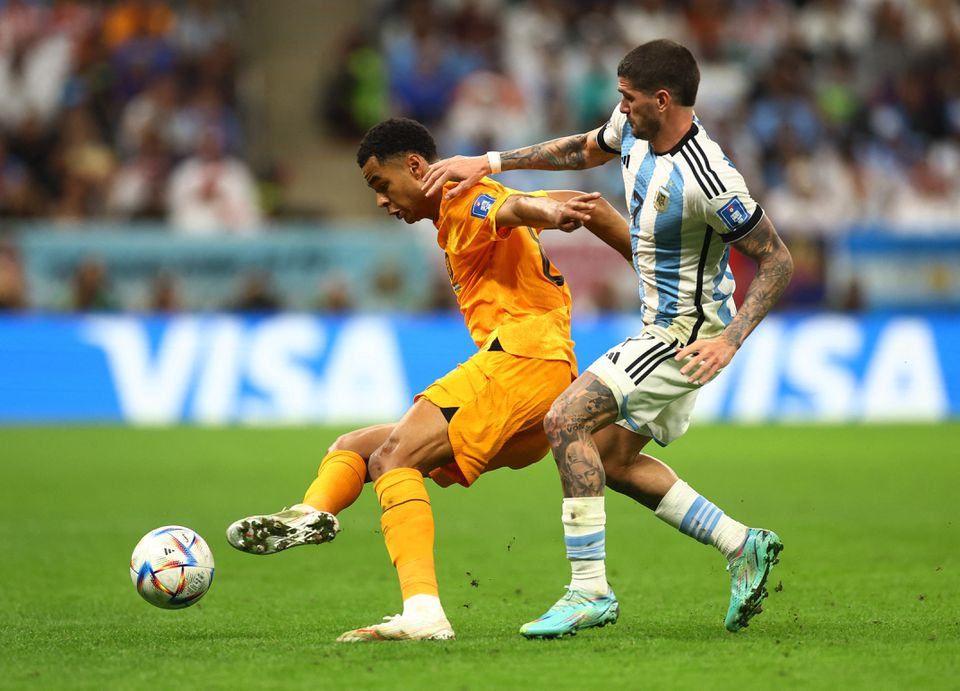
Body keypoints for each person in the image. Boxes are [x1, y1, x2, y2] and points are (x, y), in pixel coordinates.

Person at [422, 39, 795, 637]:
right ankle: (741, 544)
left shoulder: (712, 179)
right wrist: (489, 163)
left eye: (627, 98)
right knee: (612, 460)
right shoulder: (634, 126)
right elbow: (584, 148)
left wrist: (731, 342)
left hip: (688, 333)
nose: (618, 108)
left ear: (663, 100)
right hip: (662, 321)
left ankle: (588, 590)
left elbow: (777, 261)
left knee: (564, 420)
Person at [226, 117, 632, 642]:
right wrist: (647, 264)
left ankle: (423, 613)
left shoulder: (464, 198)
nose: (381, 202)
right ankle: (311, 513)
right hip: (540, 384)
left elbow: (510, 208)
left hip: (520, 362)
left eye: (381, 185)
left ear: (416, 167)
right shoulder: (459, 210)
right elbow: (586, 206)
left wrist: (545, 211)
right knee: (355, 446)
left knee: (395, 457)